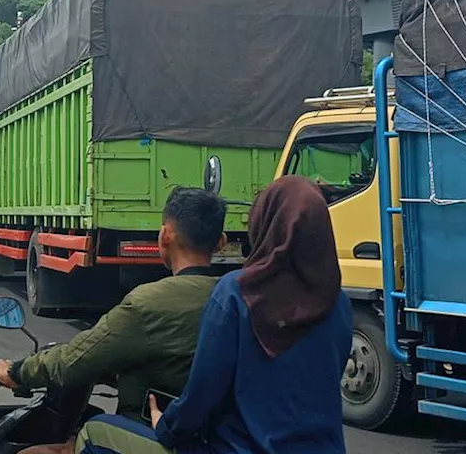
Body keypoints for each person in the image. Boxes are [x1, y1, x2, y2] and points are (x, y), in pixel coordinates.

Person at [72, 176, 351, 454]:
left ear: (264, 226)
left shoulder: (236, 293)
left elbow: (202, 394)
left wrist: (166, 426)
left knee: (95, 433)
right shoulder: (337, 301)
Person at [0, 187, 229, 454]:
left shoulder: (150, 303)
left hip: (161, 436)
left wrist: (16, 373)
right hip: (216, 436)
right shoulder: (236, 298)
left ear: (165, 235)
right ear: (221, 242)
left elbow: (75, 359)